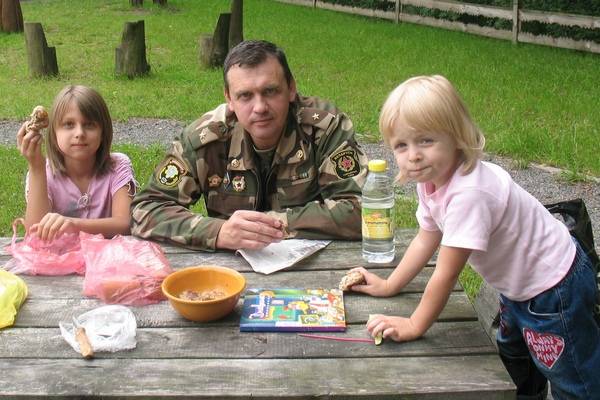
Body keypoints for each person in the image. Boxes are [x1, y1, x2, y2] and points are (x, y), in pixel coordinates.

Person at [350, 75, 600, 399]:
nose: (413, 155)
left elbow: (446, 272)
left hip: (554, 290)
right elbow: (426, 239)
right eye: (401, 145)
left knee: (573, 377)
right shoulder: (431, 180)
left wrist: (414, 324)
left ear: (456, 136)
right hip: (519, 287)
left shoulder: (470, 193)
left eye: (425, 140)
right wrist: (389, 285)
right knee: (514, 357)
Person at [131, 40, 367, 251]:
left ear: (291, 88)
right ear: (229, 99)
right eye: (245, 96)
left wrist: (275, 225)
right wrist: (218, 232)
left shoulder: (324, 128)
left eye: (270, 91)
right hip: (230, 268)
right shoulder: (205, 139)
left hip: (317, 265)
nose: (260, 107)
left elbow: (362, 210)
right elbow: (145, 209)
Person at [16, 85, 136, 241]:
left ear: (103, 132)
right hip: (60, 261)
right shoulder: (44, 174)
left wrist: (74, 225)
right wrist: (36, 167)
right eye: (69, 124)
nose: (79, 133)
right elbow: (34, 235)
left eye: (89, 124)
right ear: (53, 134)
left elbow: (124, 224)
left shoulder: (118, 165)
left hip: (108, 260)